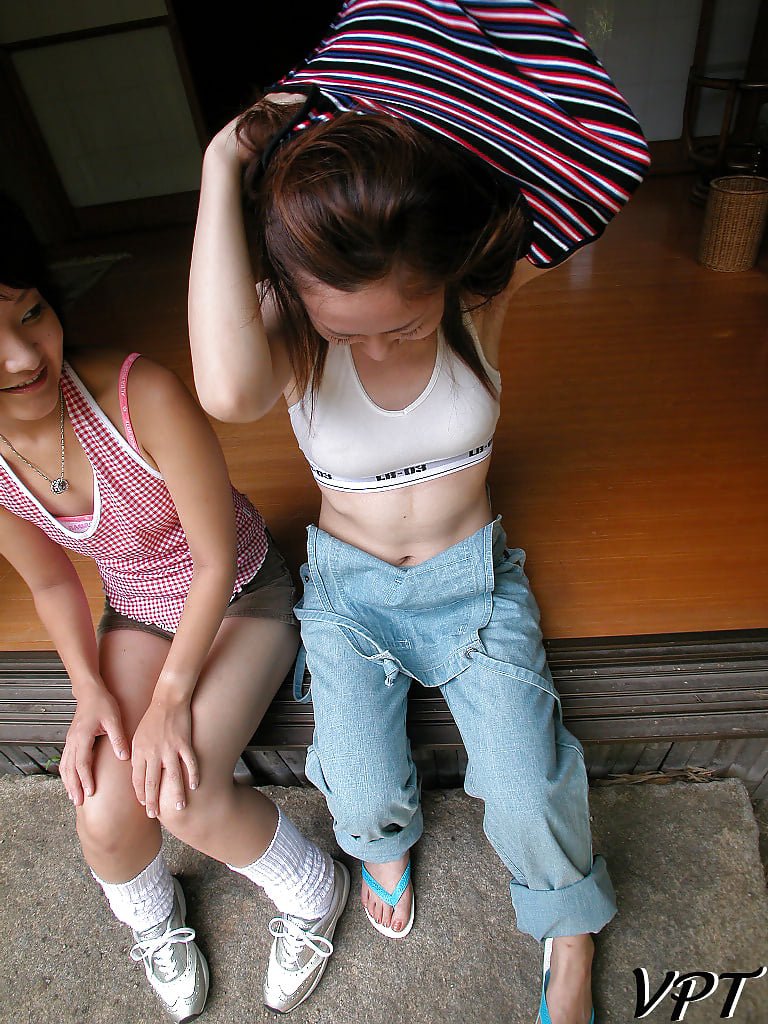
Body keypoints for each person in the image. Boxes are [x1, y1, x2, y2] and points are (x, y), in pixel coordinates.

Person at [188, 3, 650, 1022]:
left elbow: (608, 158)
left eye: (403, 322)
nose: (378, 344)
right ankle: (383, 843)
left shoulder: (479, 296)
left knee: (525, 785)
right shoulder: (293, 333)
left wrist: (413, 68)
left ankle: (568, 926)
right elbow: (224, 389)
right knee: (359, 790)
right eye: (349, 328)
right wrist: (226, 163)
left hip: (471, 586)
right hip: (348, 596)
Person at [0, 198, 349, 1021]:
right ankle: (154, 921)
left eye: (31, 313)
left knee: (181, 789)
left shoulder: (138, 393)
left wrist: (169, 697)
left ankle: (314, 889)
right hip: (137, 608)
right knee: (100, 804)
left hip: (242, 594)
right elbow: (51, 584)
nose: (21, 354)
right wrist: (90, 691)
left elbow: (216, 559)